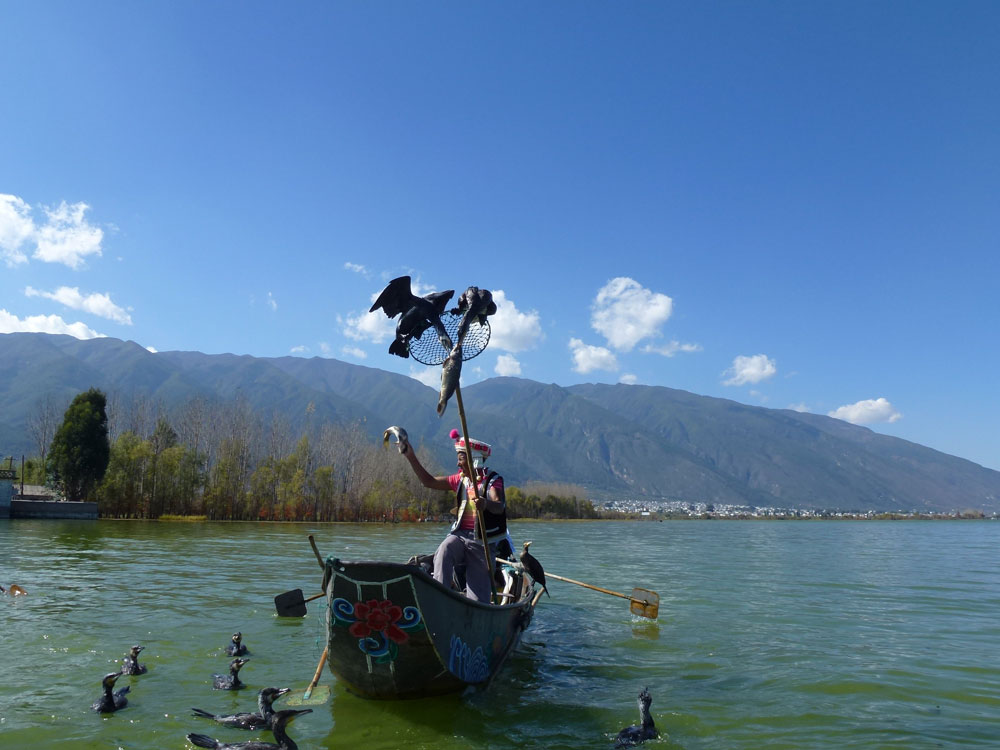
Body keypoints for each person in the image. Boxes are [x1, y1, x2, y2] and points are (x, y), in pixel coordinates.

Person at [401, 429, 512, 602]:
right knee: (445, 549)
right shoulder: (460, 480)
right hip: (459, 536)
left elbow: (499, 506)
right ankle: (440, 597)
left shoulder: (492, 480)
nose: (458, 464)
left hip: (481, 543)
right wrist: (410, 456)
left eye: (461, 459)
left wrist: (485, 503)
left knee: (477, 599)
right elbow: (428, 481)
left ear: (474, 460)